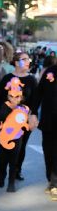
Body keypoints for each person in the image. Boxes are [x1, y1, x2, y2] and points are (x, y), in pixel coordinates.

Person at [0, 49, 38, 181]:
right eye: (24, 59)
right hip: (5, 117)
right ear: (16, 62)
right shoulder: (7, 78)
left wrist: (33, 117)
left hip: (23, 119)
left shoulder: (32, 80)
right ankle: (1, 172)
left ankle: (16, 171)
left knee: (21, 146)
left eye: (28, 59)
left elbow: (35, 102)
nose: (28, 62)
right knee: (4, 144)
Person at [0, 75, 30, 193]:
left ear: (21, 97)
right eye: (11, 96)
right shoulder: (5, 106)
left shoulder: (24, 108)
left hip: (17, 138)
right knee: (2, 160)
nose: (14, 99)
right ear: (8, 96)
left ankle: (11, 182)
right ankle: (1, 177)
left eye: (17, 97)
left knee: (14, 161)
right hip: (4, 137)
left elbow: (25, 122)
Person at [35, 57, 57, 199]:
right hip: (48, 121)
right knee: (48, 150)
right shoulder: (50, 71)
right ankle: (51, 179)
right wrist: (32, 112)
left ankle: (54, 183)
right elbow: (39, 93)